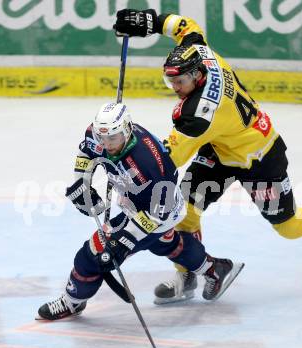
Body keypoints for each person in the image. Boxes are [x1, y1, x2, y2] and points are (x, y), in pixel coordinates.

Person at [113, 10, 302, 304]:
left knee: (289, 226)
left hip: (259, 158)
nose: (174, 89)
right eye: (170, 82)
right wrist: (151, 22)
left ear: (196, 76)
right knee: (184, 210)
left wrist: (124, 154)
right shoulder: (202, 55)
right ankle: (188, 272)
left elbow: (167, 160)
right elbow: (184, 25)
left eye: (178, 82)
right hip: (220, 149)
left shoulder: (199, 115)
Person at [37, 102, 244, 320]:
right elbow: (85, 152)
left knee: (93, 254)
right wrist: (82, 182)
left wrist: (124, 239)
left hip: (158, 213)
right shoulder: (99, 133)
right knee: (164, 243)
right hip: (136, 203)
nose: (106, 144)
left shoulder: (150, 164)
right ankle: (214, 269)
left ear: (126, 130)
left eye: (112, 139)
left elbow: (157, 215)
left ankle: (72, 301)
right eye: (102, 138)